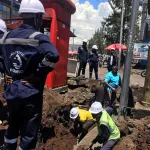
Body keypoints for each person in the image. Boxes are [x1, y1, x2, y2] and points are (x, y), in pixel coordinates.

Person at [0, 0, 59, 149]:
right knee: (28, 135)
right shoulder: (39, 38)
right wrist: (37, 74)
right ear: (37, 18)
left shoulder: (6, 37)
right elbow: (53, 56)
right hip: (30, 95)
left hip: (12, 92)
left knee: (12, 128)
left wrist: (7, 71)